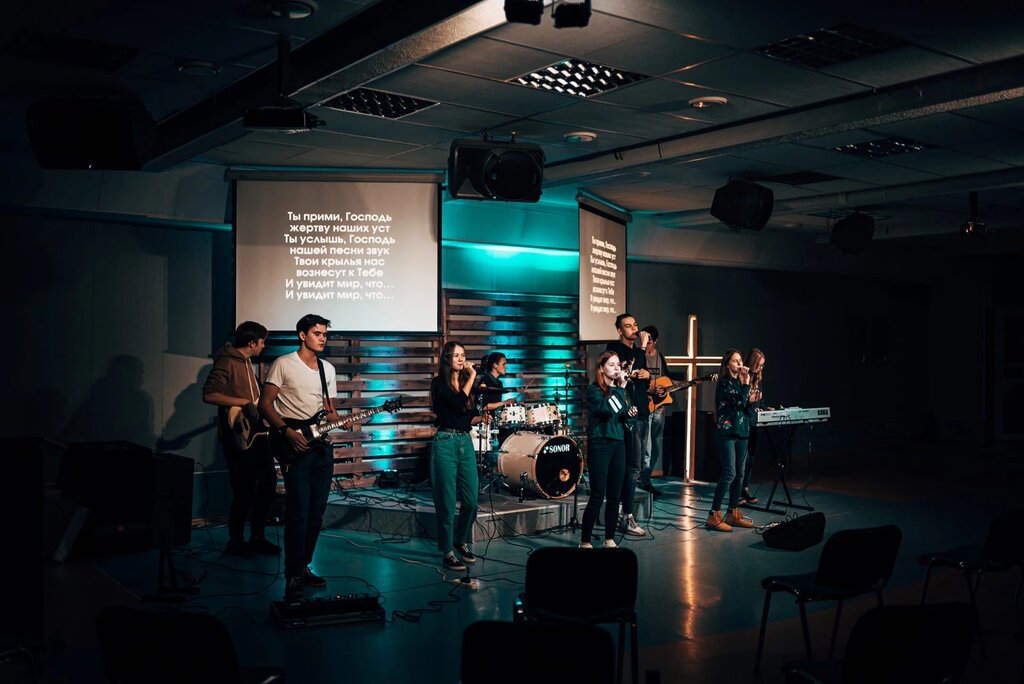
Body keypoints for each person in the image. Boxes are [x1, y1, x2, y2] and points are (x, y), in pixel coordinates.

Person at [259, 314, 338, 599]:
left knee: (316, 513)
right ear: (302, 335)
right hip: (293, 444)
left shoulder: (327, 369)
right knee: (298, 512)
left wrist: (341, 420)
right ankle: (292, 572)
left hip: (321, 446)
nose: (322, 338)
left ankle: (303, 566)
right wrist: (286, 431)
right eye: (317, 333)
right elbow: (265, 405)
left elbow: (329, 410)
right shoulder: (284, 364)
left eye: (325, 334)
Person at [203, 321, 280, 557]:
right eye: (262, 341)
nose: (264, 346)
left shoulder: (246, 362)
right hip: (239, 436)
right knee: (244, 489)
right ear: (252, 342)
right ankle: (236, 541)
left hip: (258, 434)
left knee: (268, 484)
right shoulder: (227, 361)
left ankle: (257, 537)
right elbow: (209, 394)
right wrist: (243, 403)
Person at [430, 341, 487, 571]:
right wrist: (472, 377)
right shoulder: (438, 384)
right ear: (447, 359)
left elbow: (466, 416)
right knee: (446, 500)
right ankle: (447, 551)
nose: (461, 359)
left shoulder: (466, 384)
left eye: (463, 355)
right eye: (456, 356)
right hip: (445, 442)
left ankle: (460, 540)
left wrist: (482, 418)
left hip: (464, 441)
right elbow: (455, 404)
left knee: (471, 501)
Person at [581, 351, 636, 548]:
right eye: (611, 365)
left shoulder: (621, 392)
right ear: (602, 368)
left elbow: (624, 419)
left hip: (619, 444)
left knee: (614, 496)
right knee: (597, 495)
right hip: (600, 444)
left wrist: (630, 415)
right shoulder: (594, 390)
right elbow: (606, 410)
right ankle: (585, 541)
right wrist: (620, 388)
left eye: (618, 365)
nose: (616, 368)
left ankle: (609, 539)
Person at [606, 313, 650, 536]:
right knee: (631, 467)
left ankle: (623, 513)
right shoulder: (615, 349)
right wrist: (641, 349)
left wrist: (647, 375)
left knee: (636, 466)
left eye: (635, 325)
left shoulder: (638, 353)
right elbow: (624, 373)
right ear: (619, 330)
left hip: (641, 411)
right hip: (625, 414)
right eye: (628, 326)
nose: (634, 328)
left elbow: (642, 379)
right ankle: (626, 515)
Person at [706, 348, 756, 532]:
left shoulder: (738, 382)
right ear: (727, 364)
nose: (740, 363)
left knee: (740, 475)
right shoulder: (724, 383)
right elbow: (738, 403)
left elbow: (746, 408)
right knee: (729, 473)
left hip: (741, 431)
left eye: (740, 360)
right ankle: (713, 514)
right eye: (735, 360)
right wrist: (747, 384)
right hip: (727, 432)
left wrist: (751, 399)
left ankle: (732, 513)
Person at [640, 325, 669, 496]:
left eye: (650, 340)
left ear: (655, 341)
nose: (647, 342)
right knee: (647, 448)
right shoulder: (640, 356)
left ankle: (647, 478)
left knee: (656, 447)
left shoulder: (660, 357)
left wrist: (663, 390)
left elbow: (666, 380)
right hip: (646, 406)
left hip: (659, 407)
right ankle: (644, 482)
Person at [738, 348, 766, 506]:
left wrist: (763, 407)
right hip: (744, 422)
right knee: (743, 459)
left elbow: (759, 401)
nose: (761, 368)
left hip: (754, 423)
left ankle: (745, 488)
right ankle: (737, 491)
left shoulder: (758, 379)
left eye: (762, 366)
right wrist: (751, 401)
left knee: (751, 459)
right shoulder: (743, 378)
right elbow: (741, 402)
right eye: (759, 365)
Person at [476, 351, 518, 447]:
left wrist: (512, 405)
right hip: (486, 422)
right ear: (495, 365)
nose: (506, 367)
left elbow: (497, 406)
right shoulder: (485, 381)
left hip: (497, 421)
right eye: (503, 364)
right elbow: (484, 406)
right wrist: (505, 402)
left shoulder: (499, 383)